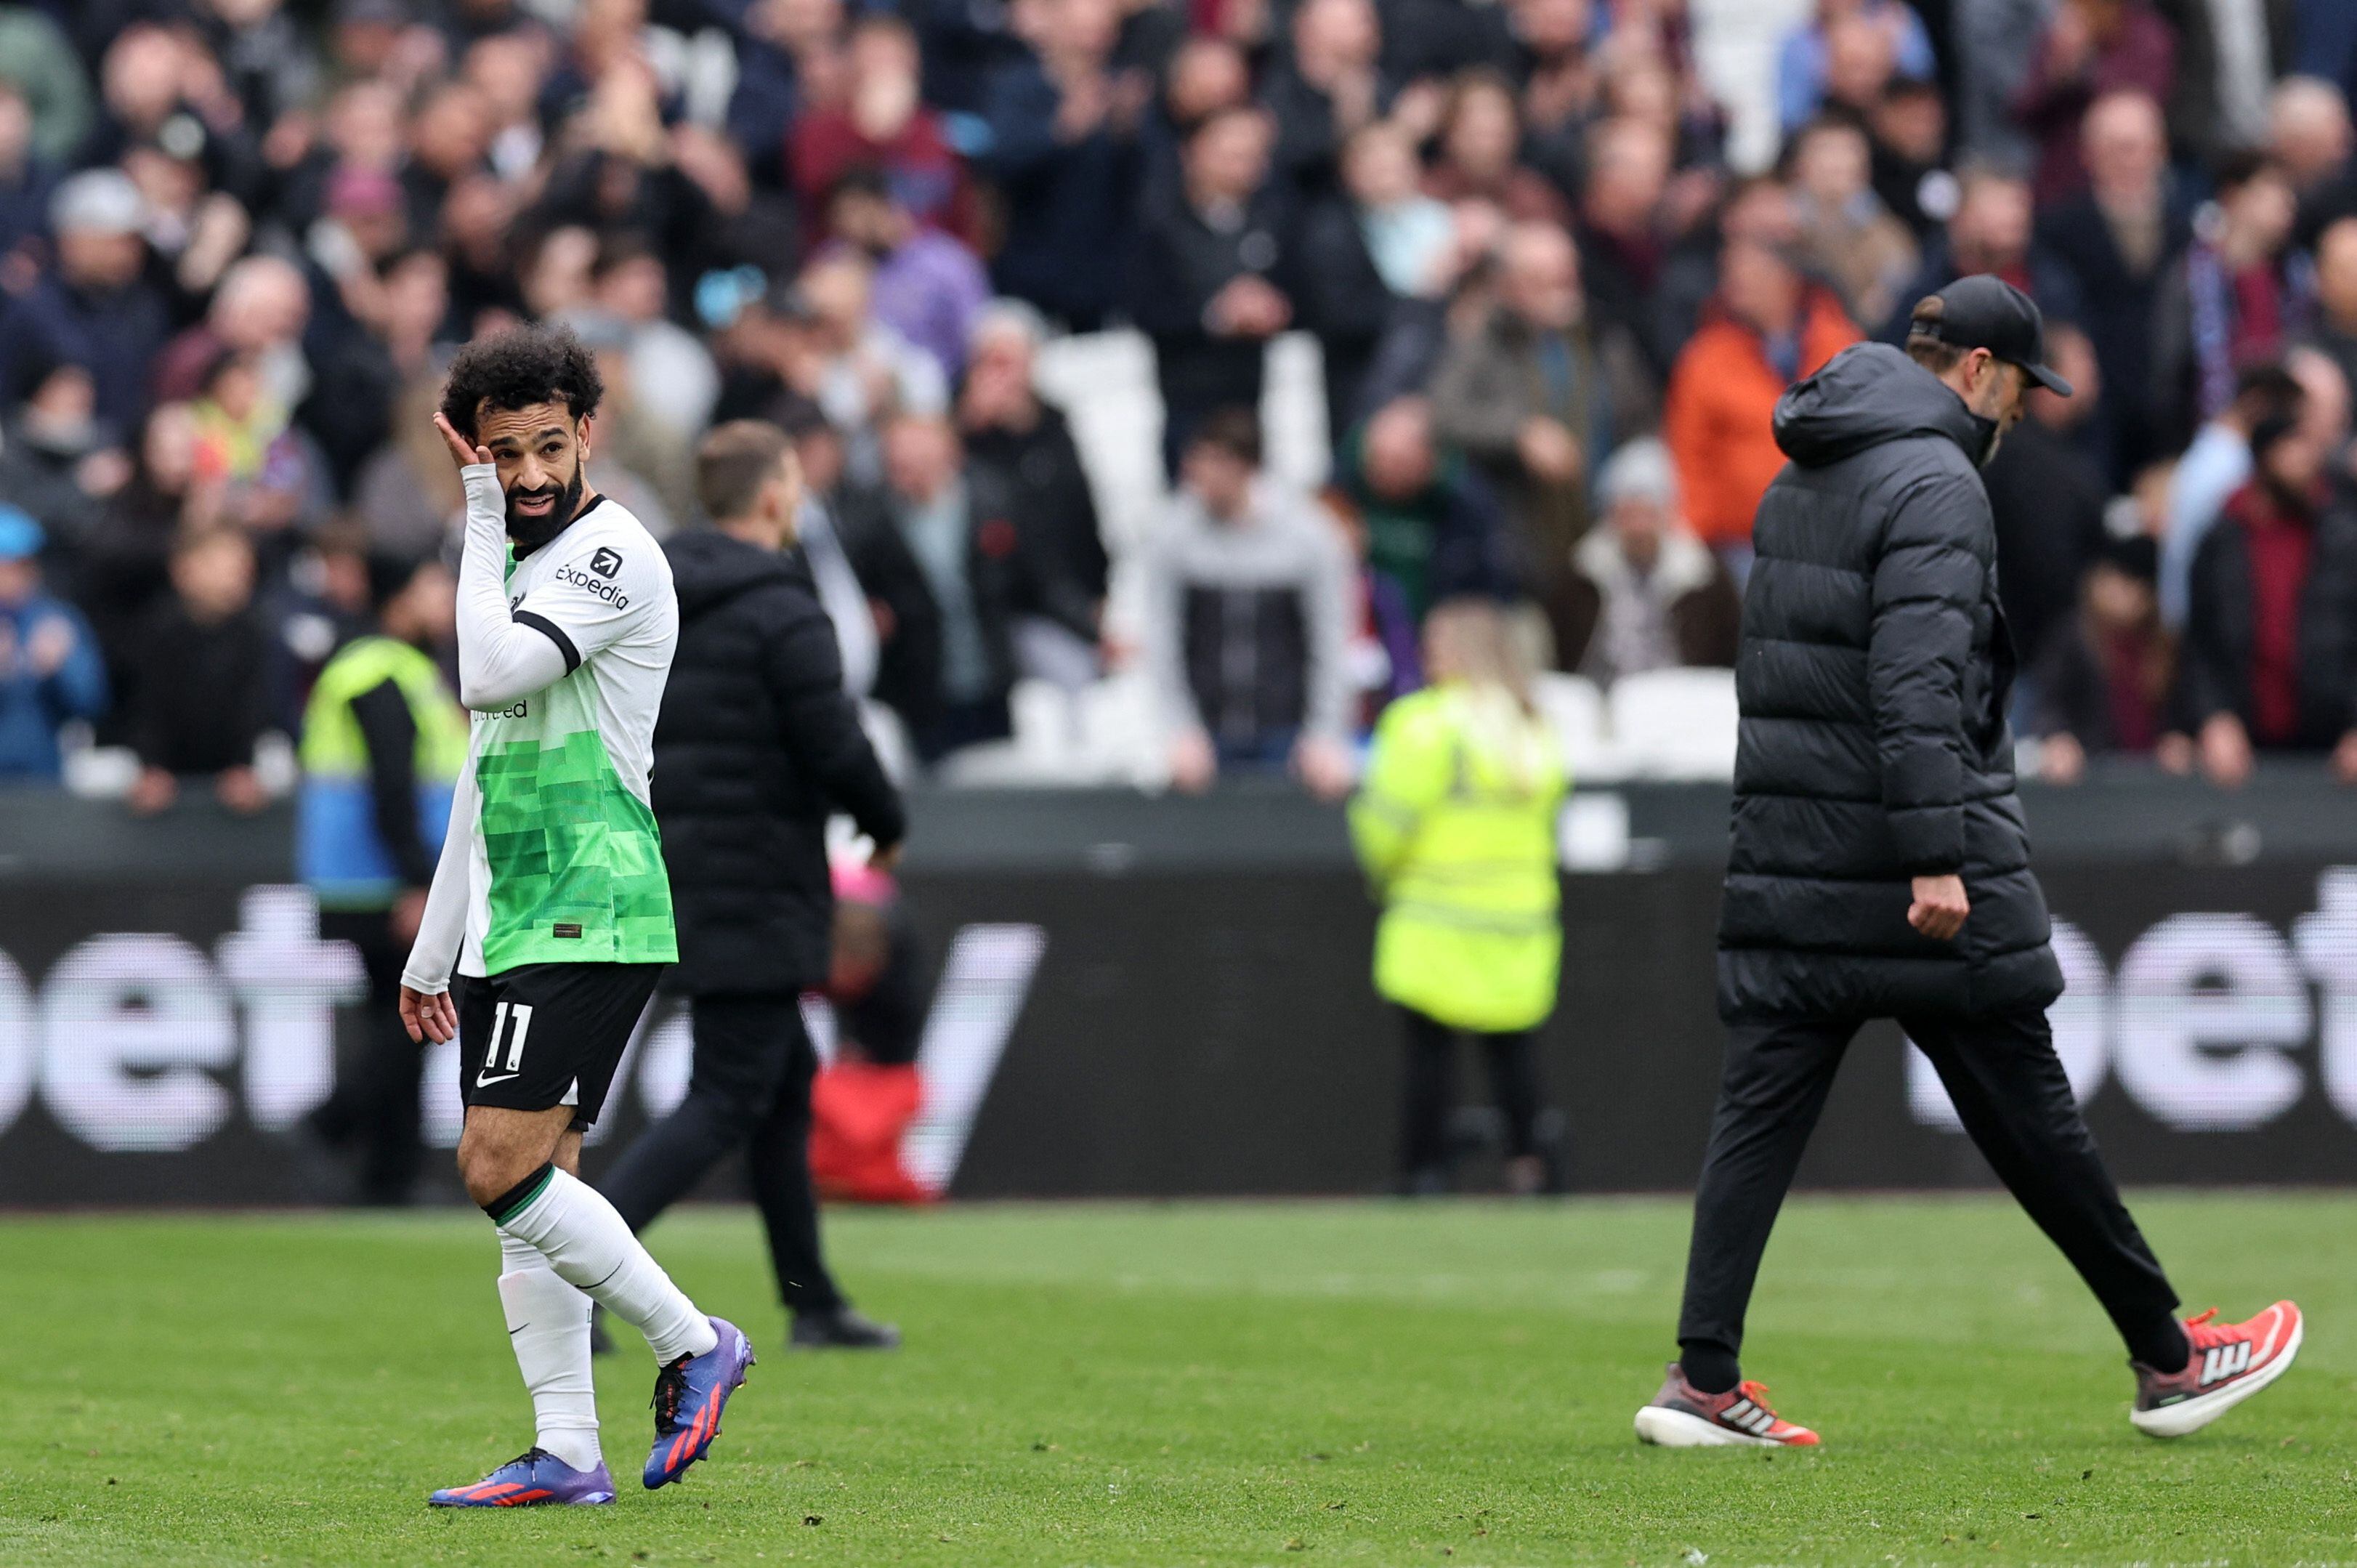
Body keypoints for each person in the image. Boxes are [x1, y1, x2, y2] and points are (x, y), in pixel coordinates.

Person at [1637, 277, 2300, 1448]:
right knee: (2032, 1111)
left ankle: (1701, 1380)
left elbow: (1789, 681)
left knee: (1757, 1119)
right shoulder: (1938, 479)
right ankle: (2171, 1354)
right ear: (1982, 369)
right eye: (2017, 392)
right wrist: (1937, 854)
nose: (2015, 417)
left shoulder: (1803, 469)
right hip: (1911, 862)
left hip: (1796, 856)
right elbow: (1917, 681)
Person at [399, 325, 751, 1508]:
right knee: (534, 1186)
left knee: (495, 1164)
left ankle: (690, 1338)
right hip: (513, 905)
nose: (533, 472)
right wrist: (434, 940)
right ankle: (568, 1449)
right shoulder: (507, 562)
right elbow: (482, 761)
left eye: (550, 445)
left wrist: (474, 509)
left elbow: (486, 677)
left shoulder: (610, 556)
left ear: (587, 433)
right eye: (504, 454)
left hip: (589, 898)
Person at [600, 421, 907, 1351]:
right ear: (774, 495)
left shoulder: (654, 599)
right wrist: (885, 819)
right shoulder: (783, 606)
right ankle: (573, 1267)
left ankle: (810, 1299)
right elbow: (835, 741)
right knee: (730, 1092)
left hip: (675, 863)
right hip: (761, 876)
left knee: (781, 1084)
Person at [1349, 597, 1567, 1195]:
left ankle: (1423, 1172)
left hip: (1435, 916)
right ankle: (1533, 1167)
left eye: (1437, 646)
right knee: (1513, 1054)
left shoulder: (1424, 724)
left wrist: (1384, 877)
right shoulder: (1534, 729)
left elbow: (1383, 823)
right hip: (1521, 921)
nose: (1426, 657)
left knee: (1429, 1058)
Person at [296, 554, 465, 1205]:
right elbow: (392, 790)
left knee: (405, 1021)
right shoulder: (380, 672)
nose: (446, 596)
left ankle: (387, 1177)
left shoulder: (402, 669)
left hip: (375, 879)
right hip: (378, 882)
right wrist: (419, 885)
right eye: (434, 583)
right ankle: (329, 1125)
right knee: (408, 1022)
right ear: (401, 595)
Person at [1137, 408, 1356, 798]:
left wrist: (1325, 734)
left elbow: (1331, 639)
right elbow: (1162, 639)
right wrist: (1179, 730)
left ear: (1246, 467)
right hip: (1205, 733)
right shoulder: (1173, 536)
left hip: (1285, 732)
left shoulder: (1308, 536)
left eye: (1215, 462)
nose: (1200, 475)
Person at [2176, 408, 2357, 788]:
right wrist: (2214, 716)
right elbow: (2199, 642)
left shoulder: (2342, 538)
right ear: (2266, 456)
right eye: (2295, 446)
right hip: (2244, 741)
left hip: (2331, 740)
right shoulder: (2223, 542)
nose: (2310, 459)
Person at [1551, 437, 1739, 682]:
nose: (1638, 527)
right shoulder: (1581, 573)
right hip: (1602, 696)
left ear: (1666, 514)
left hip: (1681, 699)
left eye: (1647, 514)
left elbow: (1728, 654)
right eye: (1629, 513)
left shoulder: (1704, 577)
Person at [126, 526, 272, 816]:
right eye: (226, 567)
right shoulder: (158, 629)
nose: (238, 577)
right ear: (185, 570)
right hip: (164, 772)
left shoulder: (254, 633)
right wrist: (153, 766)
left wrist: (242, 765)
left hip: (235, 772)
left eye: (243, 568)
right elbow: (146, 705)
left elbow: (255, 706)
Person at [0, 506, 105, 780]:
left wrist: (60, 669)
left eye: (17, 566)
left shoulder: (57, 621)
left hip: (44, 777)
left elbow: (91, 703)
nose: (8, 577)